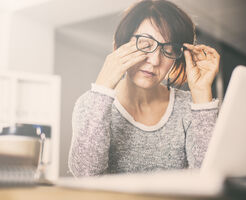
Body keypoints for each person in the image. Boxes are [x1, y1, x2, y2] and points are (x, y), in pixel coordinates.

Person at [68, 0, 220, 177]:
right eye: (145, 44)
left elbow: (209, 176)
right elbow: (85, 174)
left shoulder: (189, 107)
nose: (155, 61)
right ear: (121, 44)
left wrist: (202, 94)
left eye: (168, 49)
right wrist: (102, 88)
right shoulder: (91, 103)